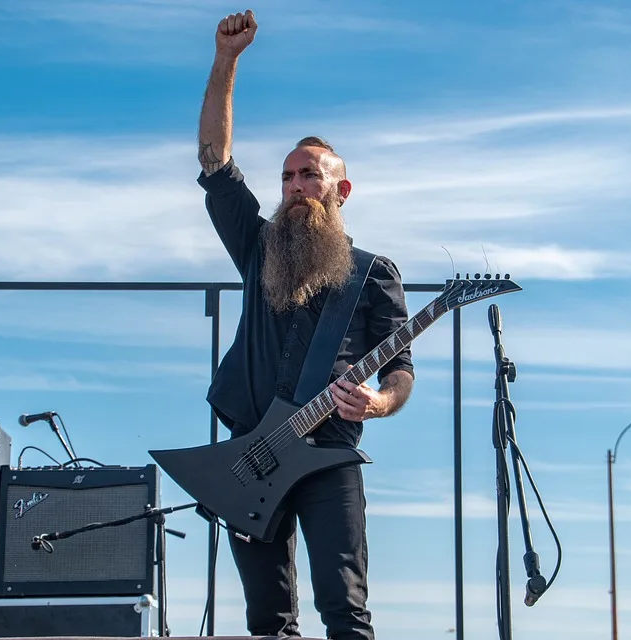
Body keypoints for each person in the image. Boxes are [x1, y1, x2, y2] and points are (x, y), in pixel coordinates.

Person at [195, 9, 415, 640]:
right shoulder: (258, 244)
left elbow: (401, 369)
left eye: (309, 175)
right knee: (268, 618)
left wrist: (376, 401)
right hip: (250, 453)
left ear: (340, 191)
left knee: (345, 611)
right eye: (287, 175)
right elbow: (214, 159)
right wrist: (226, 62)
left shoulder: (373, 272)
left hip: (328, 458)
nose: (294, 185)